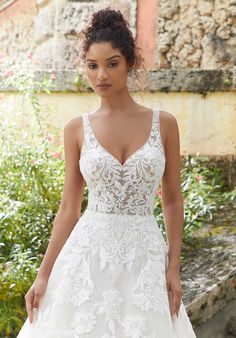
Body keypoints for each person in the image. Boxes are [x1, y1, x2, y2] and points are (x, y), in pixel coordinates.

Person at [16, 7, 197, 338]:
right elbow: (69, 209)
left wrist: (173, 268)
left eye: (112, 63)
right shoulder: (76, 130)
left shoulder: (164, 124)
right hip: (88, 258)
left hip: (144, 256)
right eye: (92, 65)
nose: (101, 75)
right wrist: (42, 275)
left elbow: (172, 200)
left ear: (129, 62)